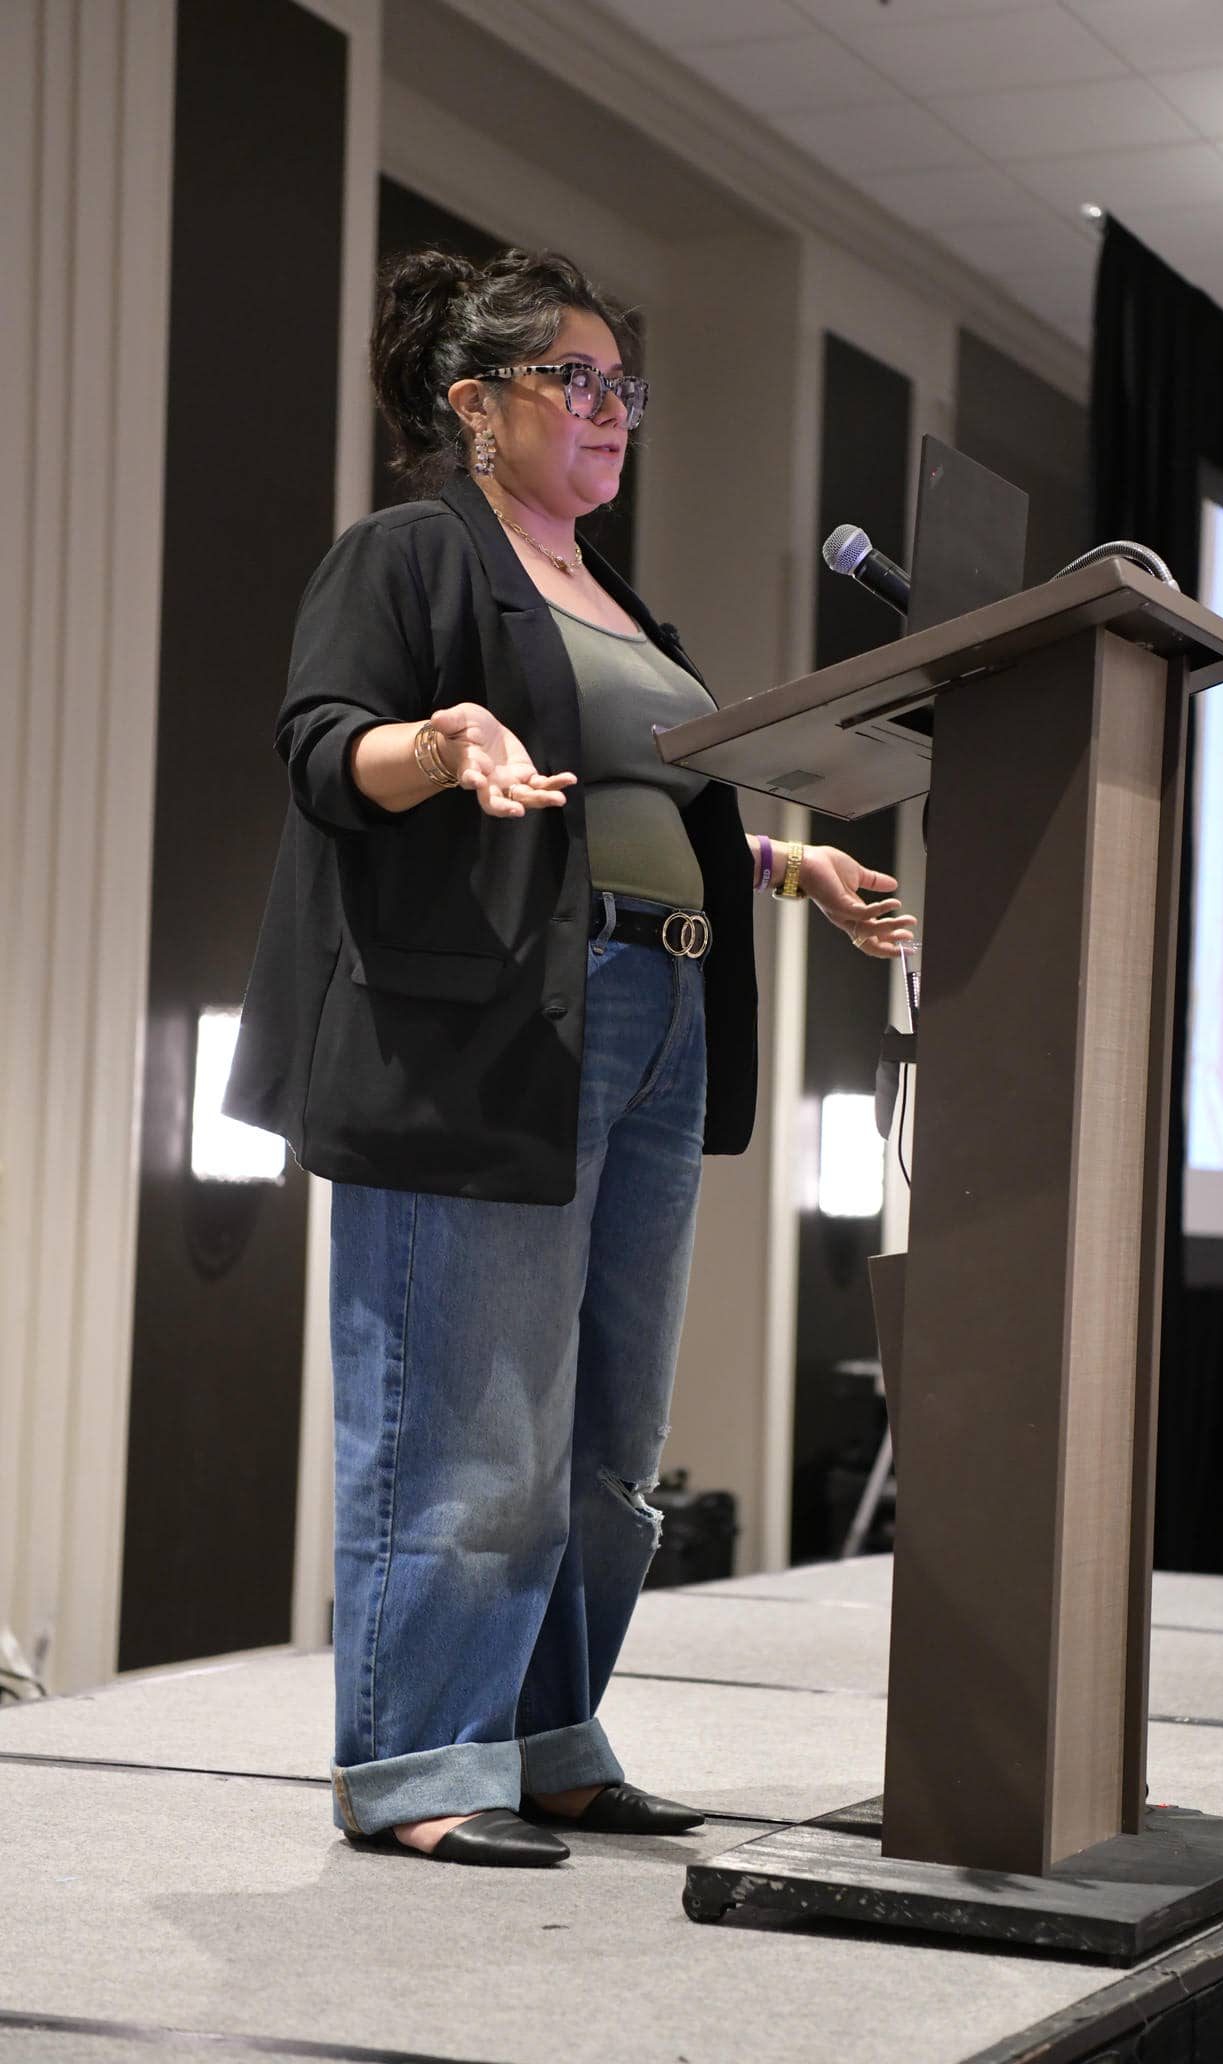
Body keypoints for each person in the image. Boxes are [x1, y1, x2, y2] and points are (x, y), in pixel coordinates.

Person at [226, 247, 915, 1869]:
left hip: (660, 1013)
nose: (612, 411)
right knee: (475, 1418)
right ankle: (421, 1760)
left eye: (625, 386)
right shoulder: (411, 554)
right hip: (489, 1031)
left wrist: (784, 866)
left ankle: (548, 1737)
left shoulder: (616, 595)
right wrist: (440, 739)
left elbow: (617, 804)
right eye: (577, 380)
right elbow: (325, 749)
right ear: (476, 403)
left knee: (607, 1437)